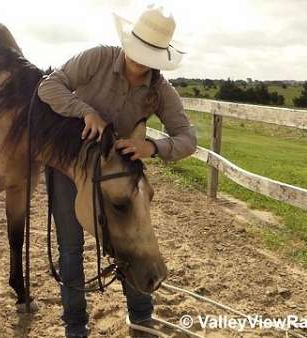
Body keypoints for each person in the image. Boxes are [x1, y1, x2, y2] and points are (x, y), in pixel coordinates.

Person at [38, 5, 197, 338]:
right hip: (70, 164)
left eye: (150, 53)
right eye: (139, 48)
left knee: (131, 239)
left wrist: (152, 147)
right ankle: (75, 327)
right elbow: (49, 87)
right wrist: (85, 111)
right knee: (71, 247)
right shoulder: (96, 58)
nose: (140, 59)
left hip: (117, 173)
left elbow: (188, 138)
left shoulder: (161, 91)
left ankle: (141, 317)